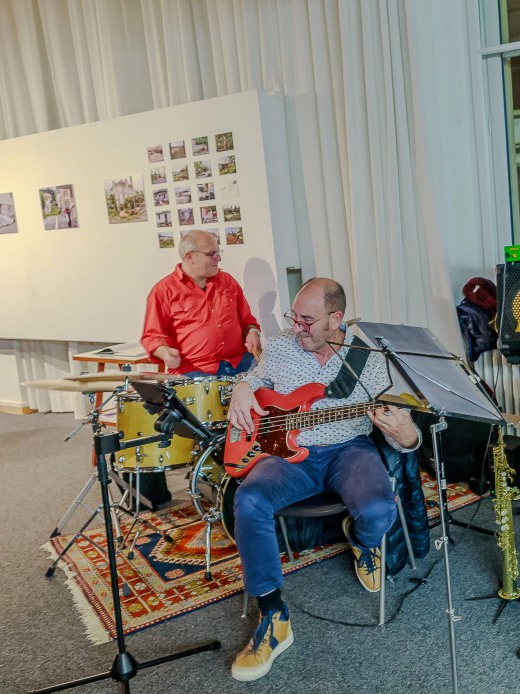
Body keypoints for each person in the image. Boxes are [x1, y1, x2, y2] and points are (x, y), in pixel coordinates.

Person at [225, 277, 421, 682]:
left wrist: (408, 435)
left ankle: (362, 541)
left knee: (378, 510)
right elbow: (258, 378)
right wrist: (242, 386)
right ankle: (273, 616)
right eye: (294, 317)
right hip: (287, 455)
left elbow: (401, 429)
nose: (296, 327)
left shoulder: (367, 358)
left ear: (335, 318)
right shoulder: (280, 345)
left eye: (307, 320)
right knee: (249, 500)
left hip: (348, 449)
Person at [141, 229, 262, 377]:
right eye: (211, 254)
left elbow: (247, 320)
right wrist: (165, 353)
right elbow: (152, 337)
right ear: (190, 257)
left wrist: (252, 332)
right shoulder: (163, 291)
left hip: (241, 362)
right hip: (196, 370)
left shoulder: (227, 281)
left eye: (218, 253)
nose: (218, 258)